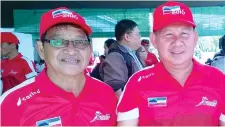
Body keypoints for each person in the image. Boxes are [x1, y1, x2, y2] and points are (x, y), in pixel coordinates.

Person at [0, 7, 117, 126]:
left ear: (89, 49)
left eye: (80, 41)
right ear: (41, 49)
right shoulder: (13, 102)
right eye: (58, 42)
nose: (71, 50)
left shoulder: (106, 93)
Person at [117, 1, 225, 126]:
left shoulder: (218, 79)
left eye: (184, 33)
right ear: (154, 40)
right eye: (168, 34)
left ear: (195, 38)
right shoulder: (137, 83)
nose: (177, 42)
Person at [100, 19, 143, 98]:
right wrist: (130, 109)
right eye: (138, 34)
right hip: (132, 107)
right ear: (127, 37)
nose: (140, 37)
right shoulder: (115, 57)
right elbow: (116, 90)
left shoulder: (132, 53)